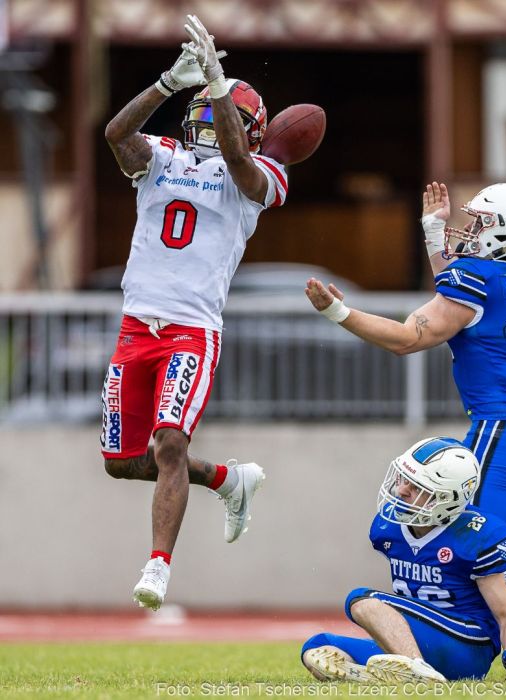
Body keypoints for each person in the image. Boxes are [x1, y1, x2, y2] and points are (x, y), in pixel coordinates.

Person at [305, 182, 506, 676]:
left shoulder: (478, 279)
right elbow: (462, 295)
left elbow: (410, 337)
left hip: (503, 429)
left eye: (481, 224)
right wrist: (433, 235)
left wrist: (338, 312)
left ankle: (501, 644)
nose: (468, 231)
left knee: (478, 539)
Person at [101, 15, 288, 610]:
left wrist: (216, 85)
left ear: (251, 131)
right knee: (123, 463)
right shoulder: (161, 156)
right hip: (137, 323)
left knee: (169, 443)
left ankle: (158, 566)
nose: (207, 123)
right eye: (202, 114)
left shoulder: (259, 177)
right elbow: (115, 134)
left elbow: (237, 158)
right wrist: (166, 83)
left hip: (191, 330)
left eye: (218, 115)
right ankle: (228, 480)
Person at [301, 437, 506, 683]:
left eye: (415, 486)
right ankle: (389, 672)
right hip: (420, 644)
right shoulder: (388, 528)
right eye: (403, 478)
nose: (402, 490)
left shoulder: (473, 535)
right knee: (317, 645)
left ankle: (415, 670)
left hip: (466, 645)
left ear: (445, 498)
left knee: (361, 600)